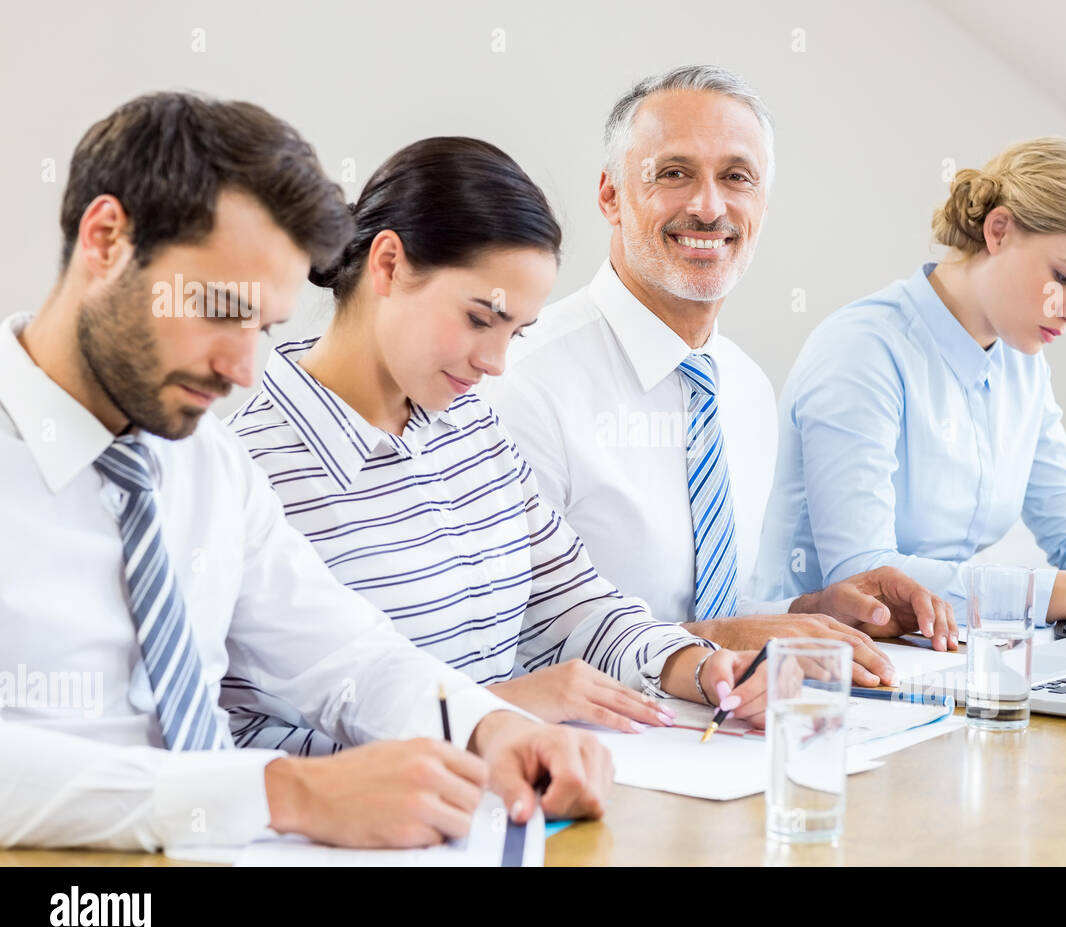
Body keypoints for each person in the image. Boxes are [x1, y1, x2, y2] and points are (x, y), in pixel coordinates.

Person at [0, 92, 611, 852]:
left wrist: (491, 728)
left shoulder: (207, 466)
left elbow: (343, 653)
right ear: (105, 240)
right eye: (222, 308)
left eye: (262, 326)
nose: (243, 369)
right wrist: (279, 791)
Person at [222, 136, 767, 754]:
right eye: (481, 319)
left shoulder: (473, 432)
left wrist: (701, 669)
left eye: (516, 331)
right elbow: (239, 744)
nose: (497, 362)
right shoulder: (250, 474)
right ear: (390, 265)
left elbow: (576, 607)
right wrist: (490, 719)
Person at [487, 65, 958, 690]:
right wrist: (723, 641)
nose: (709, 208)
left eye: (737, 177)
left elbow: (716, 615)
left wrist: (807, 615)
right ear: (610, 197)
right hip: (585, 753)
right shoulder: (521, 378)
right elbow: (508, 641)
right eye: (674, 173)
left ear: (762, 202)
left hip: (732, 737)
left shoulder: (744, 387)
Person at [755, 137, 1066, 628]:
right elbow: (863, 577)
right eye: (1064, 278)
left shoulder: (1021, 363)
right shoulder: (863, 351)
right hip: (813, 663)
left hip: (936, 654)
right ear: (998, 230)